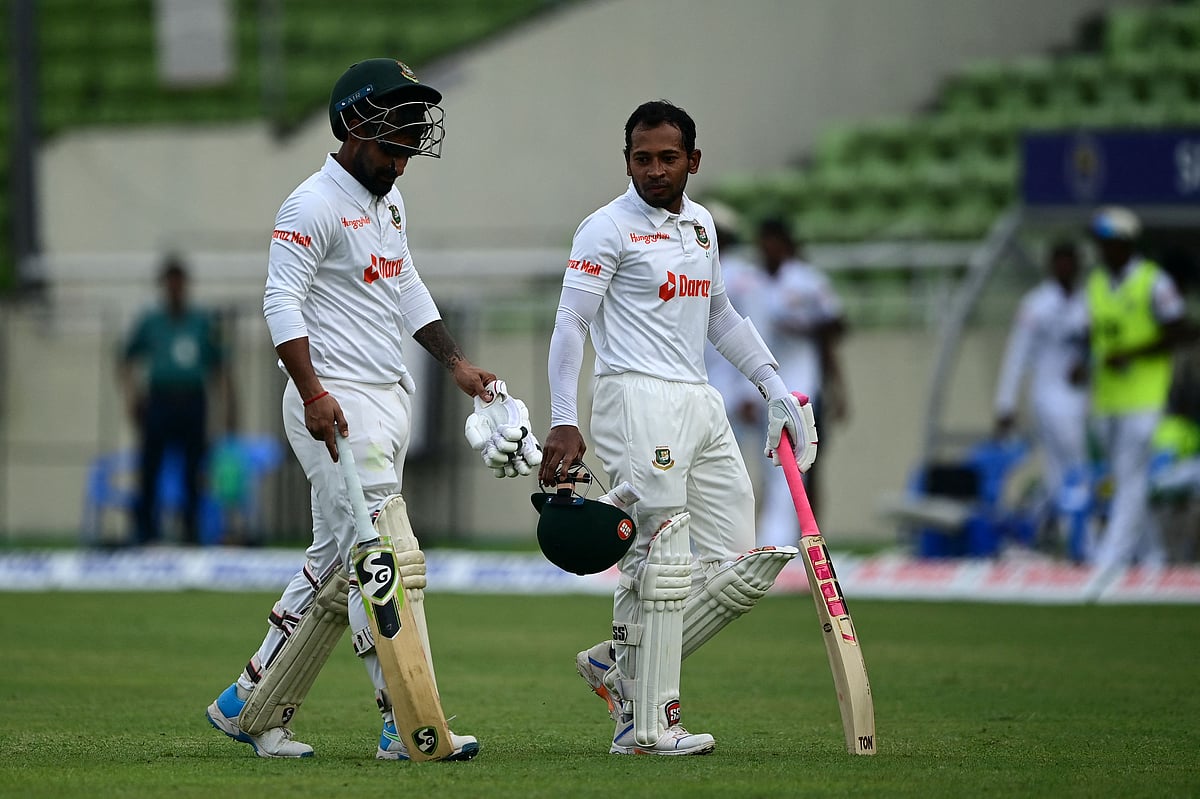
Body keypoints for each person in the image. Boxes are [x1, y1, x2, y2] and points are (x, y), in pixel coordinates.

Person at [206, 58, 516, 760]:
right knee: (389, 557)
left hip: (386, 403)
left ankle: (248, 704)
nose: (402, 161)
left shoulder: (389, 201)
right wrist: (314, 392)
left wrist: (456, 364)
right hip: (336, 408)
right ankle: (404, 721)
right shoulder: (311, 203)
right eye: (390, 143)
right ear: (351, 126)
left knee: (333, 565)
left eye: (410, 144)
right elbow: (280, 301)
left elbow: (404, 284)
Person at [538, 100, 819, 756]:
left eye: (668, 158)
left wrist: (773, 385)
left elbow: (719, 312)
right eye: (642, 158)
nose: (655, 170)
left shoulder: (700, 226)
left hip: (698, 399)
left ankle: (618, 662)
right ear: (627, 160)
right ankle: (646, 725)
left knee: (739, 566)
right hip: (634, 394)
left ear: (693, 160)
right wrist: (563, 418)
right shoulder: (604, 228)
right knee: (658, 560)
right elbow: (570, 324)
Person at [1082, 207, 1190, 579]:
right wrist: (1087, 362)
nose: (1102, 251)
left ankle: (1110, 559)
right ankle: (1154, 555)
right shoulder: (1096, 283)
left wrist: (1134, 353)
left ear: (1126, 244)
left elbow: (1181, 329)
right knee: (1124, 477)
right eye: (1100, 244)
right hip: (1108, 398)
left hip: (1145, 397)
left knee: (1129, 476)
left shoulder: (1153, 281)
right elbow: (1097, 335)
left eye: (1108, 243)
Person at [747, 217, 848, 543]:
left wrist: (802, 328)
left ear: (785, 243)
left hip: (803, 384)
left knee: (808, 461)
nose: (766, 248)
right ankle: (778, 535)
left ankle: (810, 535)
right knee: (771, 462)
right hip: (763, 386)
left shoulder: (806, 281)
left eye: (772, 241)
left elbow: (837, 325)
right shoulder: (752, 283)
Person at [118, 255, 232, 545]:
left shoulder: (201, 322)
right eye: (170, 282)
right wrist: (131, 397)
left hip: (192, 400)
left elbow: (219, 367)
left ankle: (191, 530)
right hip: (159, 400)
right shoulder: (152, 322)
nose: (175, 288)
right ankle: (145, 531)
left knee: (194, 468)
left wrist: (226, 407)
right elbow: (126, 359)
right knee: (150, 466)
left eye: (179, 282)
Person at [992, 241, 1090, 551]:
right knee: (1074, 466)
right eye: (1059, 261)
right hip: (1047, 395)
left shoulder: (1088, 302)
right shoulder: (1036, 304)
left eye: (1070, 261)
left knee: (1062, 473)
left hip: (1082, 398)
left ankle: (1051, 531)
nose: (1065, 268)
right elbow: (1016, 355)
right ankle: (1082, 539)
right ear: (1050, 265)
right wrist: (1005, 403)